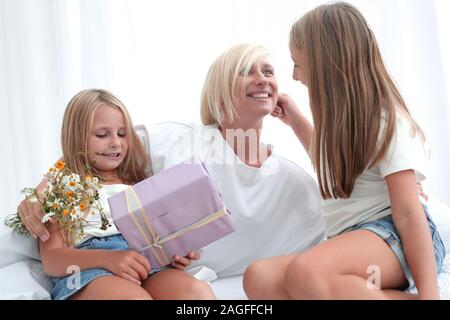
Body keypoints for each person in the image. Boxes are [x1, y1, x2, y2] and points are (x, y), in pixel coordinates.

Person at [17, 44, 326, 280]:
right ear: (220, 93)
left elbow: (343, 183)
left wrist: (298, 120)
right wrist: (41, 191)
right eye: (246, 71)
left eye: (268, 72)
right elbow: (86, 149)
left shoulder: (291, 179)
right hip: (143, 269)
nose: (262, 79)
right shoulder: (177, 139)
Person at [243, 2, 446, 300]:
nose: (295, 76)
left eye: (298, 64)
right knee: (259, 278)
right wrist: (297, 122)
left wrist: (430, 293)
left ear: (326, 64)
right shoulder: (340, 124)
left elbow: (407, 213)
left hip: (394, 236)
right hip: (356, 239)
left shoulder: (385, 121)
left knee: (307, 272)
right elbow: (335, 169)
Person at [37, 89, 215, 300]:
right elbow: (51, 259)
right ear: (77, 138)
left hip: (146, 263)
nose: (115, 142)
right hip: (90, 270)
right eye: (102, 135)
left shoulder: (137, 183)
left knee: (197, 293)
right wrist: (108, 258)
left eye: (122, 134)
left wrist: (173, 253)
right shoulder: (63, 187)